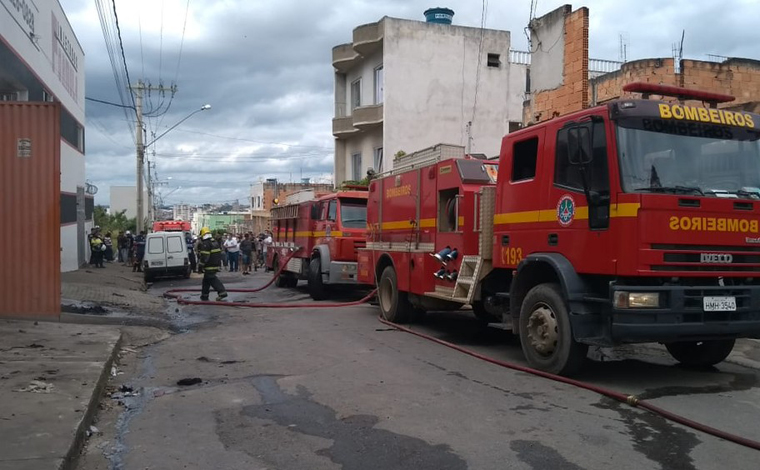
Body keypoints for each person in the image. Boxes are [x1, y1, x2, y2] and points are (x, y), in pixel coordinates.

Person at [198, 226, 227, 301]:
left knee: (211, 278)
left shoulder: (206, 243)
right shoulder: (214, 241)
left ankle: (222, 292)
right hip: (215, 263)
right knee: (206, 280)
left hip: (209, 265)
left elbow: (205, 257)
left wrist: (200, 266)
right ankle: (204, 295)